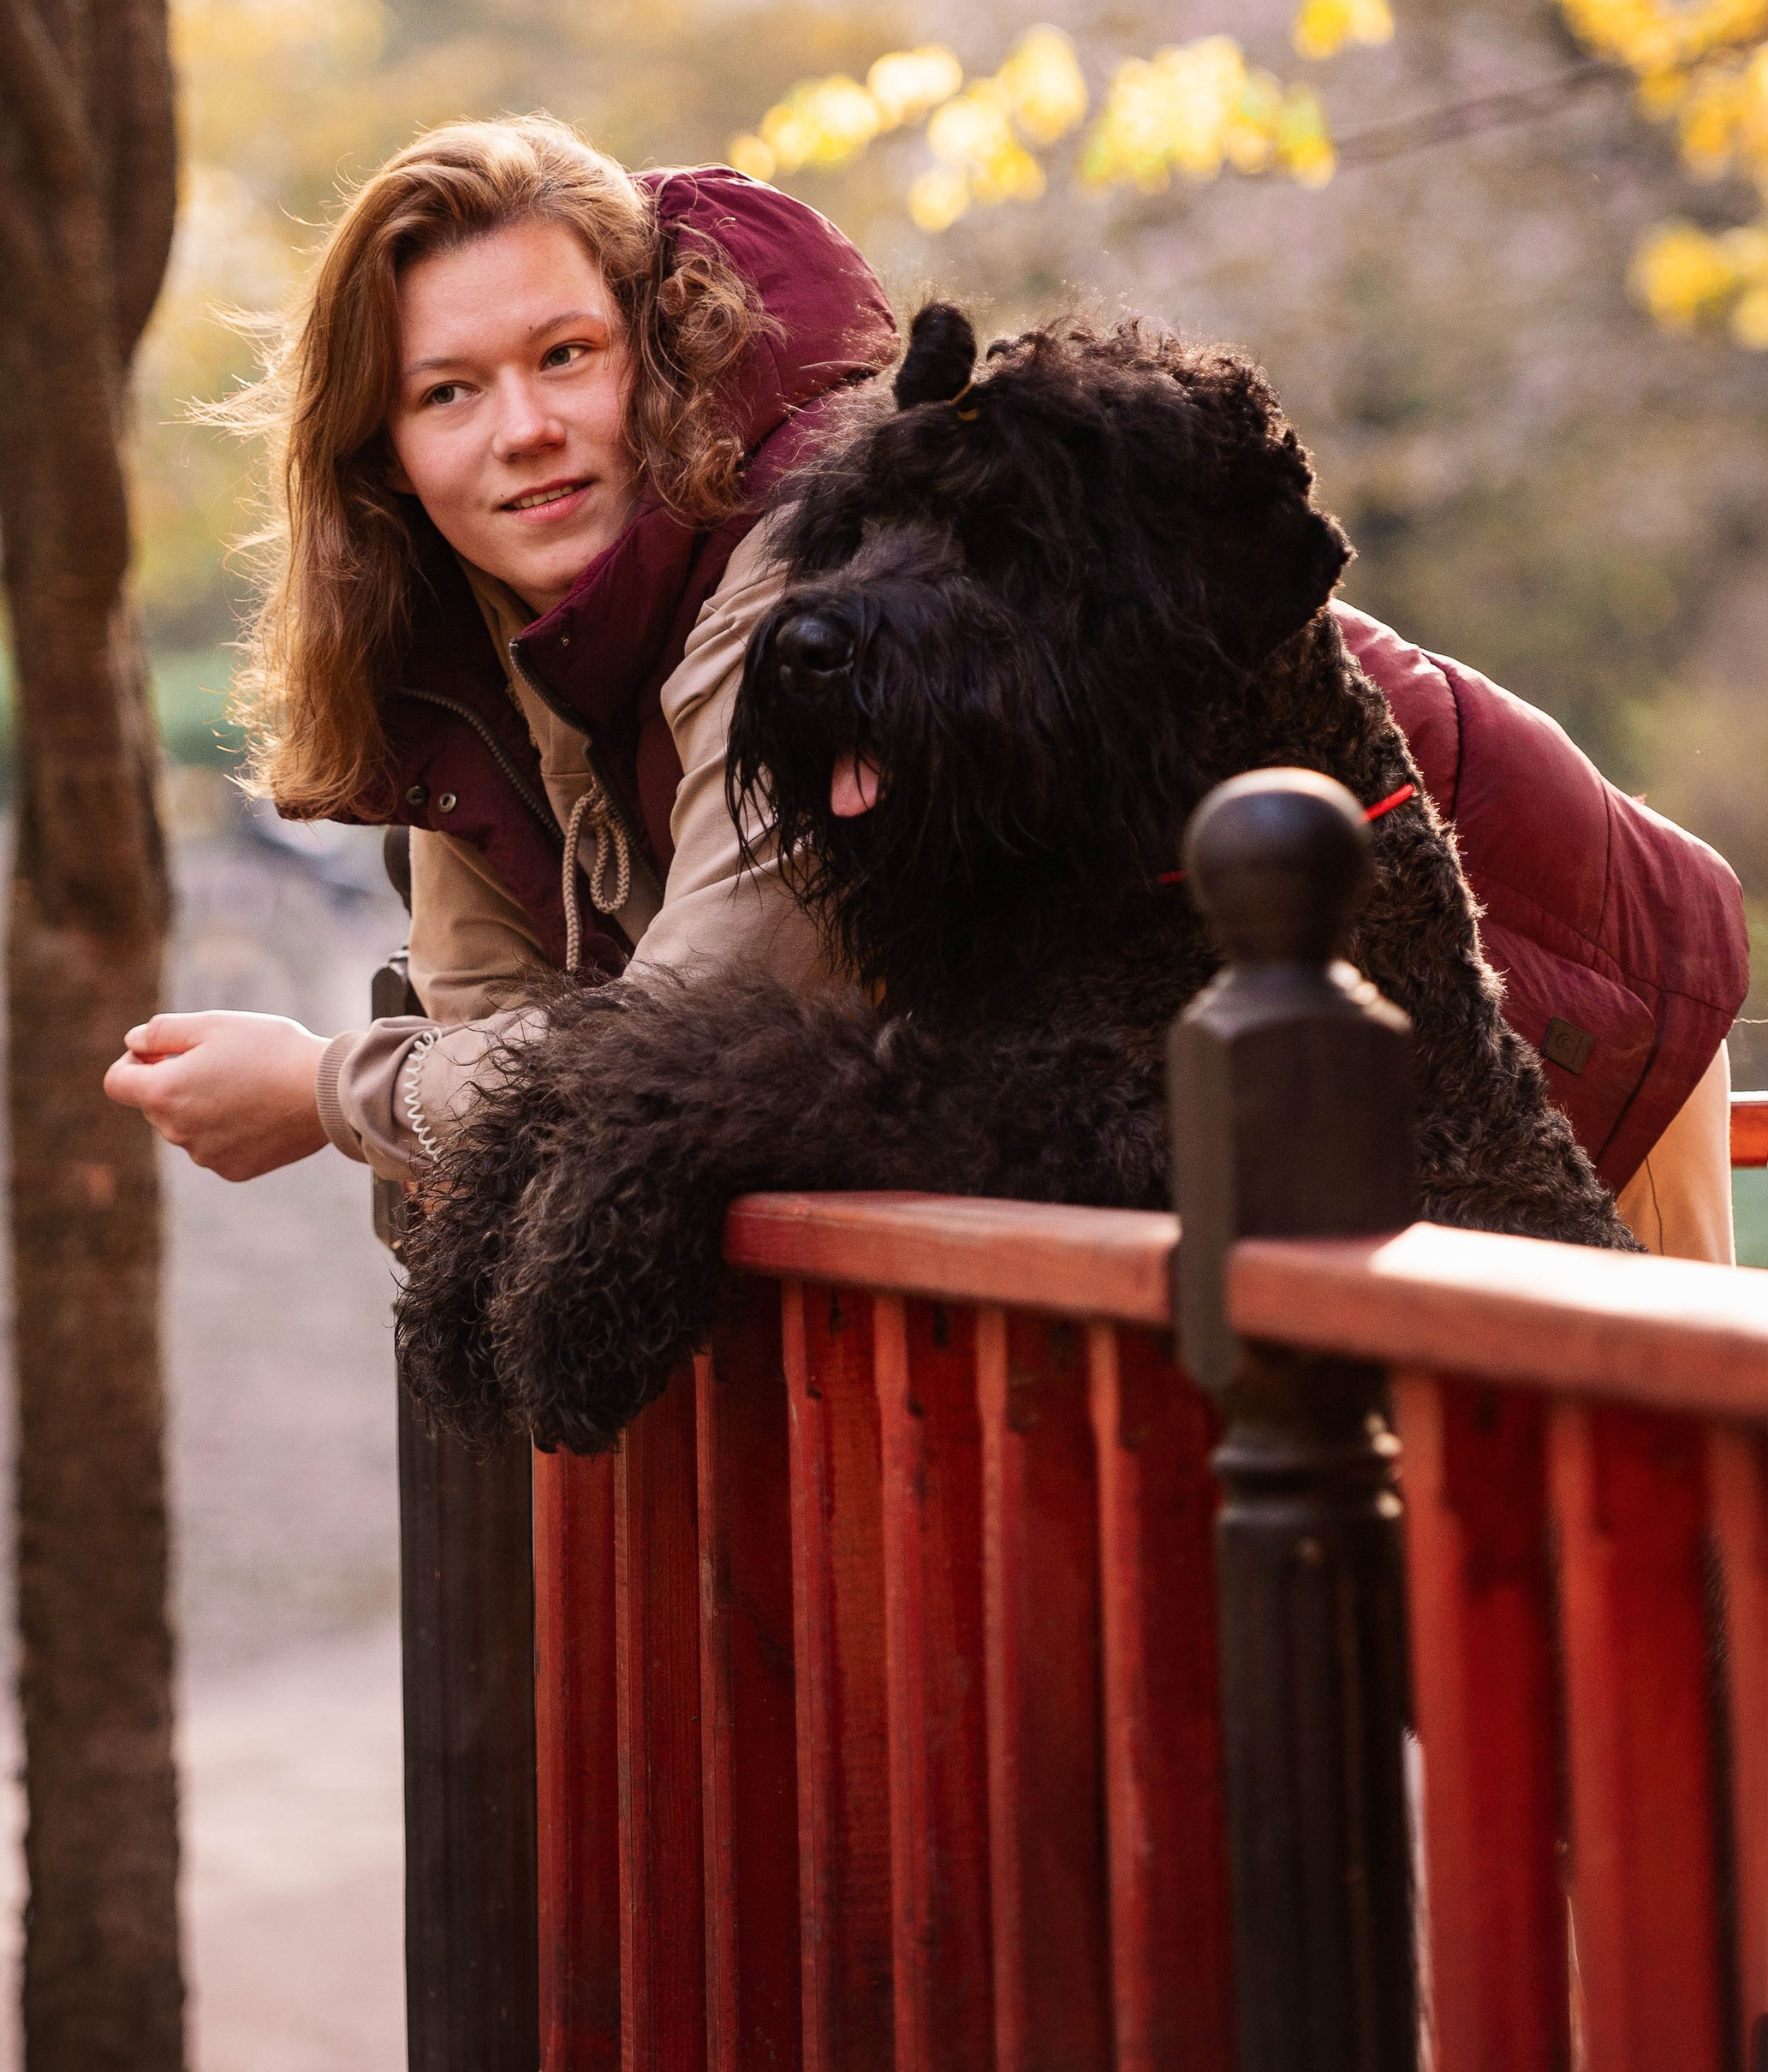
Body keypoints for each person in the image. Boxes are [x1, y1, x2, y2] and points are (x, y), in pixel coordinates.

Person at [105, 115, 1746, 1260]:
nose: (520, 429)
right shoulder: (476, 660)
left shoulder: (817, 560)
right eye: (447, 391)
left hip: (1533, 960)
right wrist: (421, 1113)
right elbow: (502, 1061)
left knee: (1652, 1630)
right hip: (1202, 1087)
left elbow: (696, 1034)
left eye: (565, 357)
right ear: (381, 455)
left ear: (657, 344)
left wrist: (325, 1090)